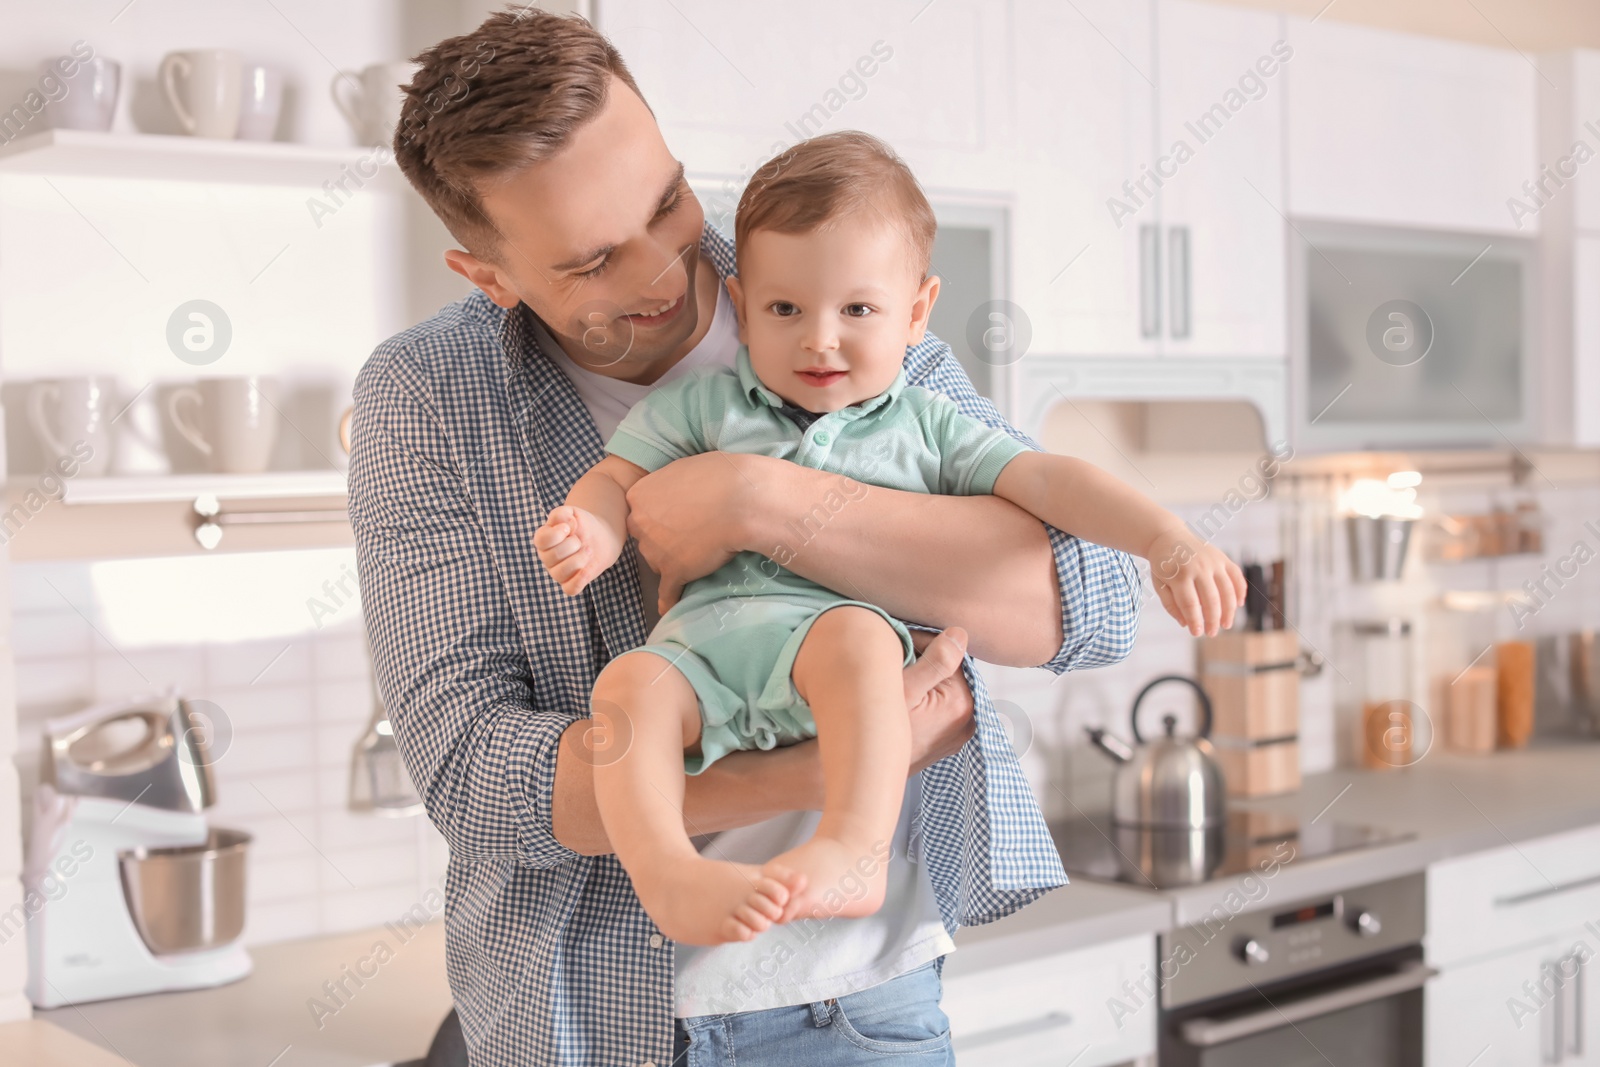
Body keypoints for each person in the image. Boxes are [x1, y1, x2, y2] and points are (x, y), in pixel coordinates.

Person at [350, 11, 1151, 1066]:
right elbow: (475, 778)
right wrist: (835, 762)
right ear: (487, 274)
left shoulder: (824, 286)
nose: (659, 273)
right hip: (596, 1021)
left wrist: (754, 501)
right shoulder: (428, 398)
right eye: (591, 260)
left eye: (668, 201)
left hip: (865, 1004)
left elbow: (1088, 605)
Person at [535, 131, 1244, 948]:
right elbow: (617, 477)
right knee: (626, 687)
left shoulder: (929, 424)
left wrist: (1167, 538)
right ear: (741, 302)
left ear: (917, 312)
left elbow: (1052, 484)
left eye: (858, 310)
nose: (820, 339)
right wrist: (589, 523)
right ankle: (669, 875)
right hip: (705, 657)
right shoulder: (704, 407)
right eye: (785, 309)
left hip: (830, 657)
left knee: (859, 641)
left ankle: (853, 849)